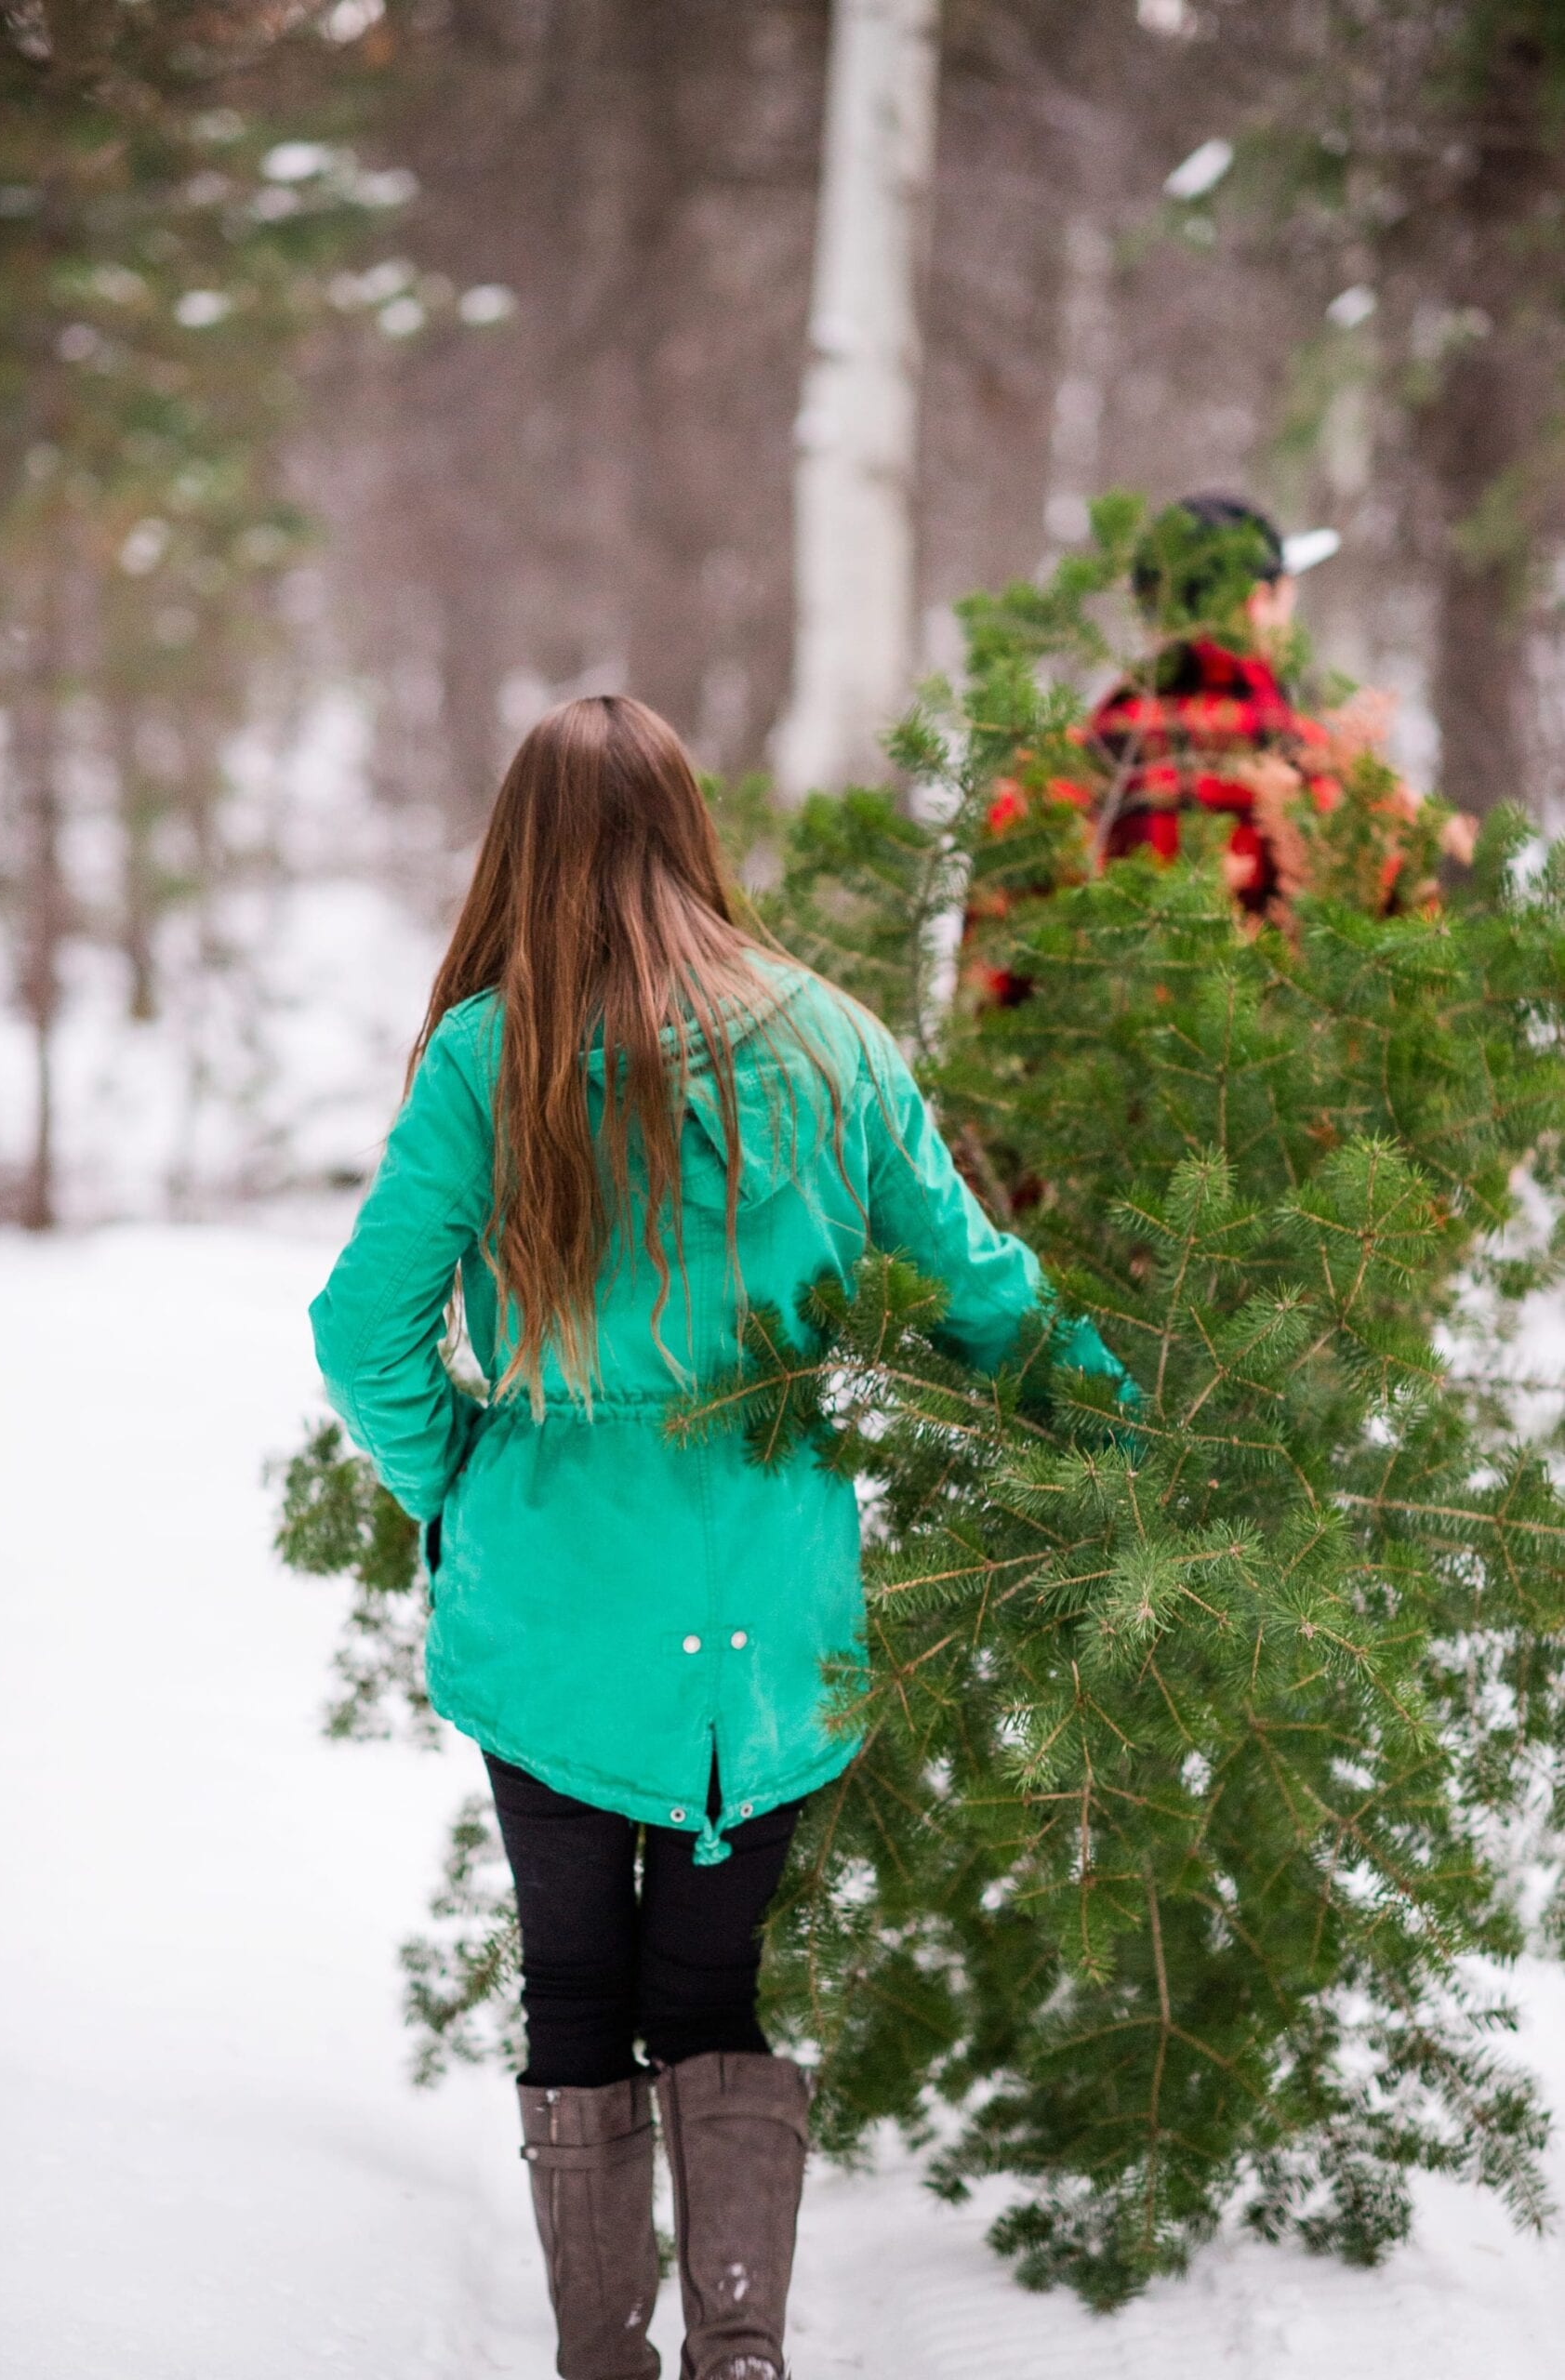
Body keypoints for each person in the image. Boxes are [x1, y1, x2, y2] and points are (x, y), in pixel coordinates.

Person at [308, 694, 1134, 2380]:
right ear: (691, 832)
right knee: (709, 1993)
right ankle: (738, 2347)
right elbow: (980, 1291)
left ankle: (602, 2354)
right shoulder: (827, 1040)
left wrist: (457, 1476)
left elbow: (360, 1328)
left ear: (517, 854)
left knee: (572, 1990)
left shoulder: (493, 1050)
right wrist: (1126, 1436)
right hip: (771, 1621)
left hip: (552, 1607)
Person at [962, 493, 1478, 1007]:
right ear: (1257, 602)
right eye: (1286, 602)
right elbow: (1426, 1002)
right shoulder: (1345, 785)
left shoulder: (1054, 781)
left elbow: (984, 1005)